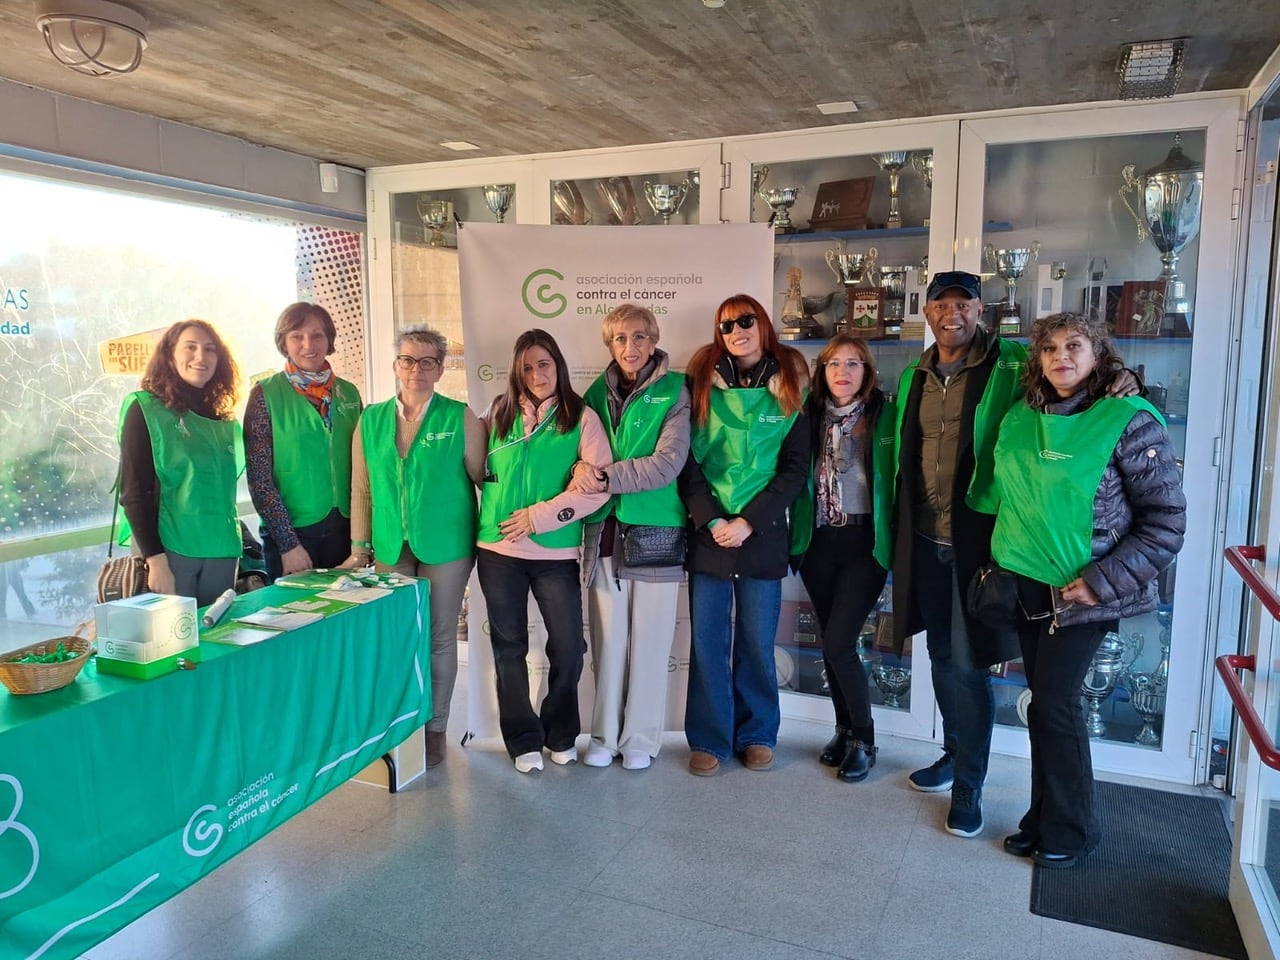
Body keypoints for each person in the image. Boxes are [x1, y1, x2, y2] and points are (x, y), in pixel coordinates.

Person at [892, 271, 1138, 839]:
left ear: (981, 310)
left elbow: (1074, 369)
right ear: (926, 313)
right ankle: (955, 752)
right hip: (924, 540)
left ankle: (969, 786)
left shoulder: (1010, 361)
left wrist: (1122, 375)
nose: (951, 314)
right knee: (941, 657)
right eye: (940, 304)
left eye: (963, 303)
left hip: (981, 542)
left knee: (966, 663)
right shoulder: (915, 375)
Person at [992, 312, 1185, 868]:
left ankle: (1074, 830)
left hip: (1087, 591)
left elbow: (1166, 523)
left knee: (1055, 704)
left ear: (1098, 354)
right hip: (1029, 583)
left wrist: (1100, 584)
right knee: (1043, 705)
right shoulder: (1026, 414)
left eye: (1074, 346)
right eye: (1049, 349)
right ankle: (1042, 816)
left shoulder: (1129, 420)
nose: (1062, 357)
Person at [679, 294, 810, 777]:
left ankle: (757, 734)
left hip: (763, 532)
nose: (737, 331)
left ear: (763, 324)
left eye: (745, 321)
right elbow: (686, 465)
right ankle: (710, 738)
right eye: (727, 325)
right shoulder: (699, 386)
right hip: (709, 533)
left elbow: (796, 469)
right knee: (708, 642)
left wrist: (748, 521)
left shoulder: (792, 385)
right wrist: (713, 520)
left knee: (756, 641)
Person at [347, 325, 484, 768]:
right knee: (401, 637)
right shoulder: (370, 420)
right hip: (391, 544)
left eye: (427, 361)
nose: (416, 369)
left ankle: (435, 730)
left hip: (446, 544)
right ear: (395, 365)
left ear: (441, 369)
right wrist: (359, 546)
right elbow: (361, 490)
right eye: (408, 359)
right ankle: (401, 726)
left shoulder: (459, 416)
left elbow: (485, 479)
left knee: (440, 639)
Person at [476, 329, 612, 774]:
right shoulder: (497, 412)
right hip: (498, 551)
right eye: (528, 366)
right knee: (508, 647)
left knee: (570, 648)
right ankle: (522, 738)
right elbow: (477, 470)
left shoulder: (582, 417)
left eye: (544, 364)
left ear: (559, 365)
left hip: (554, 552)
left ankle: (560, 731)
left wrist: (538, 516)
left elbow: (596, 491)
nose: (537, 374)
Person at [572, 304, 691, 772]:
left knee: (651, 642)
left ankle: (640, 737)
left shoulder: (676, 390)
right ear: (609, 344)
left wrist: (602, 478)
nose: (630, 347)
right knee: (608, 642)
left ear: (654, 340)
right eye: (620, 339)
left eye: (639, 337)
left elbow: (668, 462)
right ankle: (602, 735)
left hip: (657, 531)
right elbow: (575, 455)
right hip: (604, 534)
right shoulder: (592, 393)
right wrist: (583, 470)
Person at [799, 334, 896, 783]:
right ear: (822, 370)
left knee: (840, 643)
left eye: (854, 363)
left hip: (864, 546)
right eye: (834, 363)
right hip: (819, 543)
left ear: (867, 371)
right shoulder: (809, 414)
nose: (843, 371)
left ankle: (866, 739)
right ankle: (842, 729)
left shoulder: (884, 413)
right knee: (829, 644)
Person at [117, 319, 243, 606]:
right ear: (171, 354)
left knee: (217, 641)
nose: (201, 356)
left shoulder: (223, 419)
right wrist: (155, 560)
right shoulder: (145, 409)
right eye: (191, 347)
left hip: (222, 550)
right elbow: (133, 492)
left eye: (210, 349)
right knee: (173, 645)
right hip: (172, 552)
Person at [245, 302, 363, 581]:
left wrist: (362, 541)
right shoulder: (265, 395)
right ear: (284, 341)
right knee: (297, 618)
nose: (308, 344)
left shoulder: (348, 393)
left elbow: (363, 468)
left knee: (344, 617)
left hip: (345, 529)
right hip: (293, 535)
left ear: (329, 339)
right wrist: (288, 545)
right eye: (297, 336)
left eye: (317, 335)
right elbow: (259, 479)